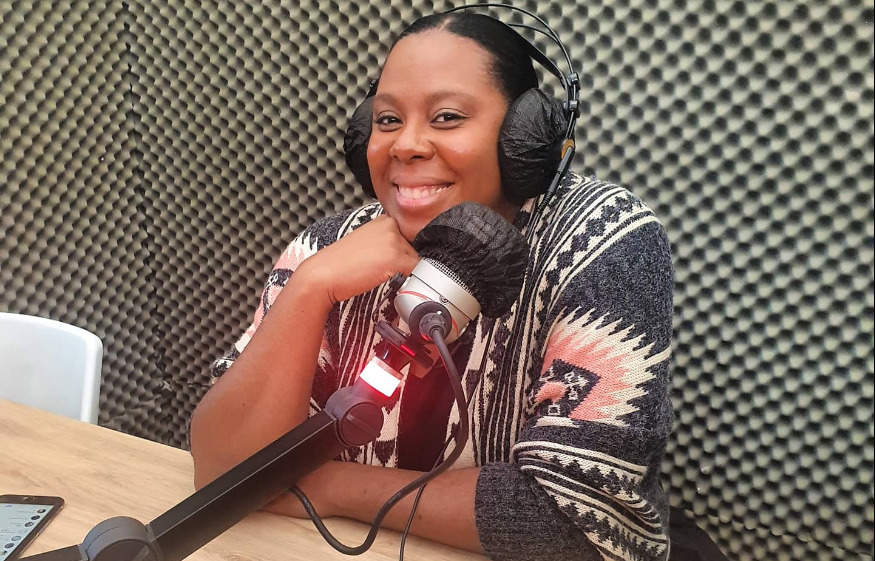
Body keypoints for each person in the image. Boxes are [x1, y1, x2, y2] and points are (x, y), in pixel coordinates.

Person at [189, 10, 674, 561]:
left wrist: (329, 487)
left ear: (525, 136)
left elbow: (575, 516)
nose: (406, 144)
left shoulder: (603, 242)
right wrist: (309, 289)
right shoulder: (327, 249)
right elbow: (223, 477)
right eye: (387, 119)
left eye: (446, 117)